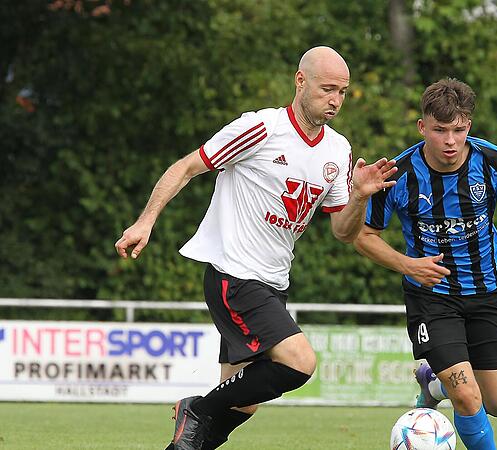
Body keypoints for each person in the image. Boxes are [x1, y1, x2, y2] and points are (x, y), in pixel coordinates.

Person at [114, 46, 397, 450]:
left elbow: (343, 231)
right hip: (234, 275)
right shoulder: (262, 128)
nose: (335, 100)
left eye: (342, 92)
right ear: (300, 81)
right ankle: (197, 409)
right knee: (300, 362)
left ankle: (188, 438)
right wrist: (146, 221)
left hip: (272, 282)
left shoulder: (338, 150)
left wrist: (359, 197)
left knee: (242, 403)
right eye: (327, 89)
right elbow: (188, 166)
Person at [353, 78, 497, 450]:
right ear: (422, 126)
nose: (450, 140)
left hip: (484, 294)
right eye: (439, 130)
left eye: (458, 130)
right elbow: (363, 235)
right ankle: (451, 389)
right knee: (467, 396)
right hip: (431, 299)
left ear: (468, 126)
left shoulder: (492, 161)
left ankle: (434, 384)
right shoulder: (399, 173)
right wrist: (409, 266)